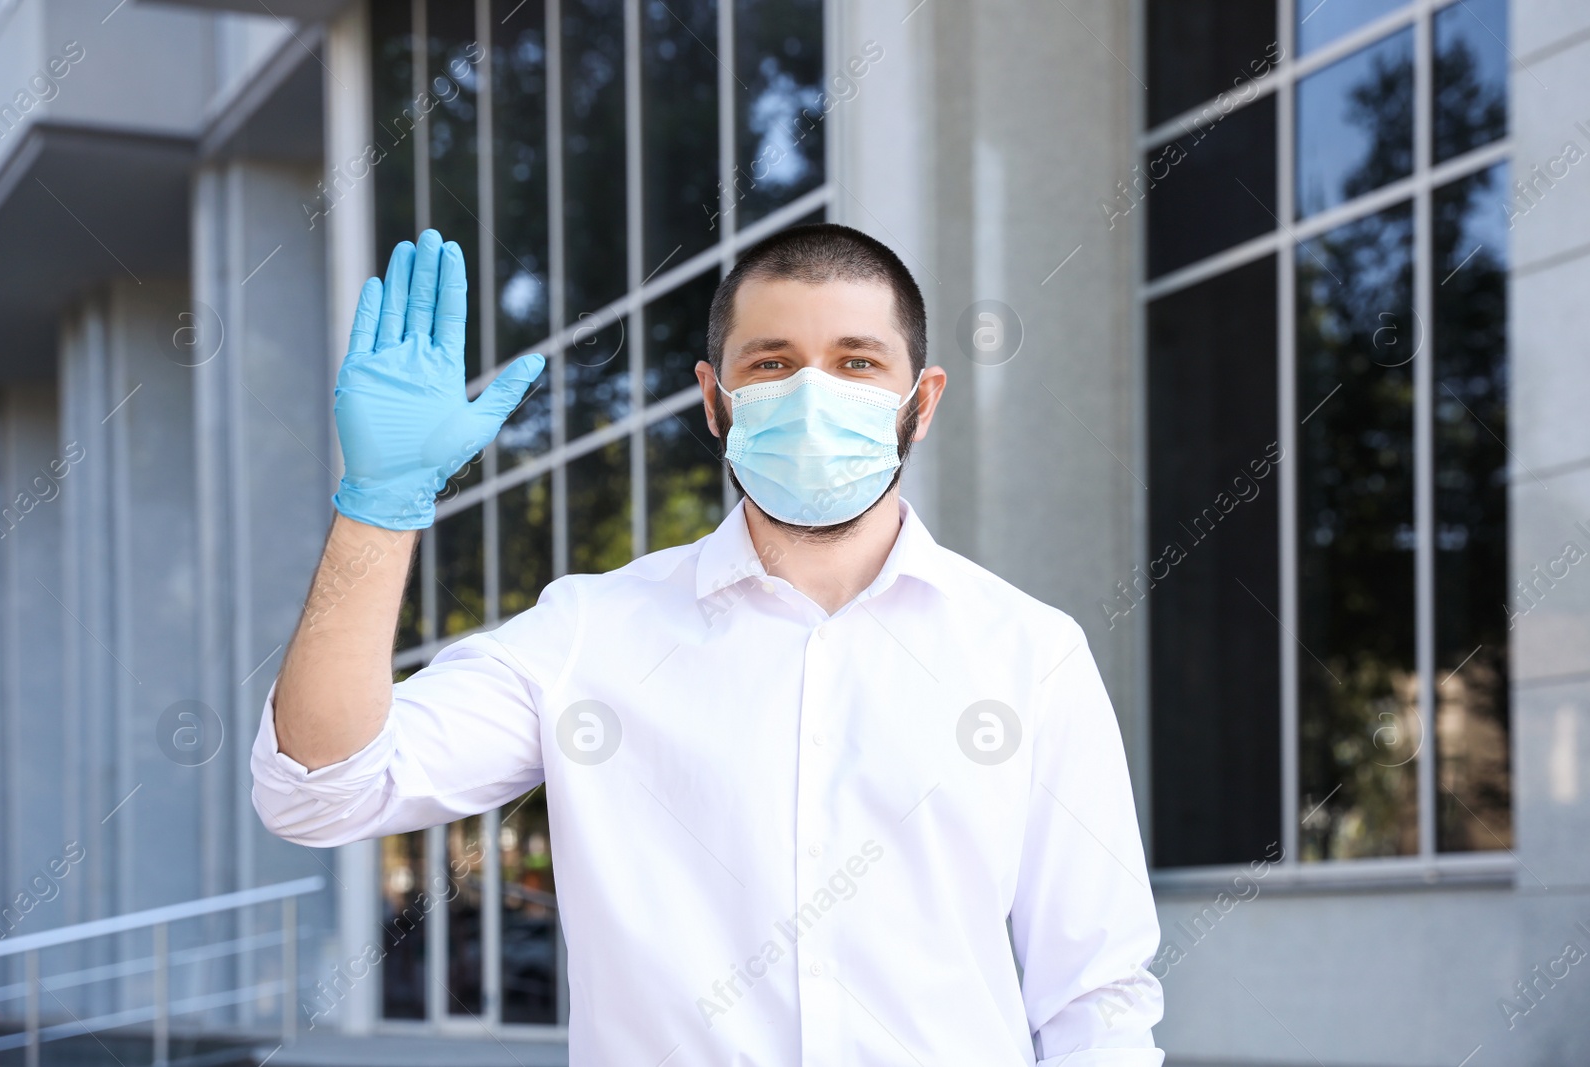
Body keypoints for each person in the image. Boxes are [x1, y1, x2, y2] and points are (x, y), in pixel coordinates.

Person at [251, 223, 1166, 1064]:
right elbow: (321, 791)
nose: (814, 394)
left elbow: (1097, 996)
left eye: (856, 363)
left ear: (919, 402)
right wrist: (380, 505)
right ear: (713, 399)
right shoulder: (589, 635)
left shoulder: (1029, 653)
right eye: (772, 364)